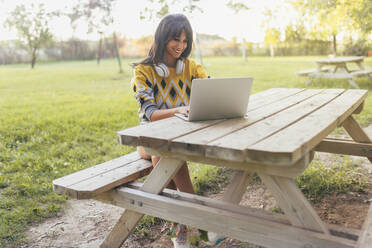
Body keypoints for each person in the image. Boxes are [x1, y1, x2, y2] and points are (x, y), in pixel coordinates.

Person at [130, 13, 207, 248]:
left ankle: (180, 231)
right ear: (163, 38)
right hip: (149, 138)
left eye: (185, 41)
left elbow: (211, 89)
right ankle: (204, 224)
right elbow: (151, 114)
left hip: (182, 134)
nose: (181, 46)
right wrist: (180, 109)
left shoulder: (191, 68)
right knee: (164, 152)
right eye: (176, 40)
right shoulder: (143, 72)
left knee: (164, 160)